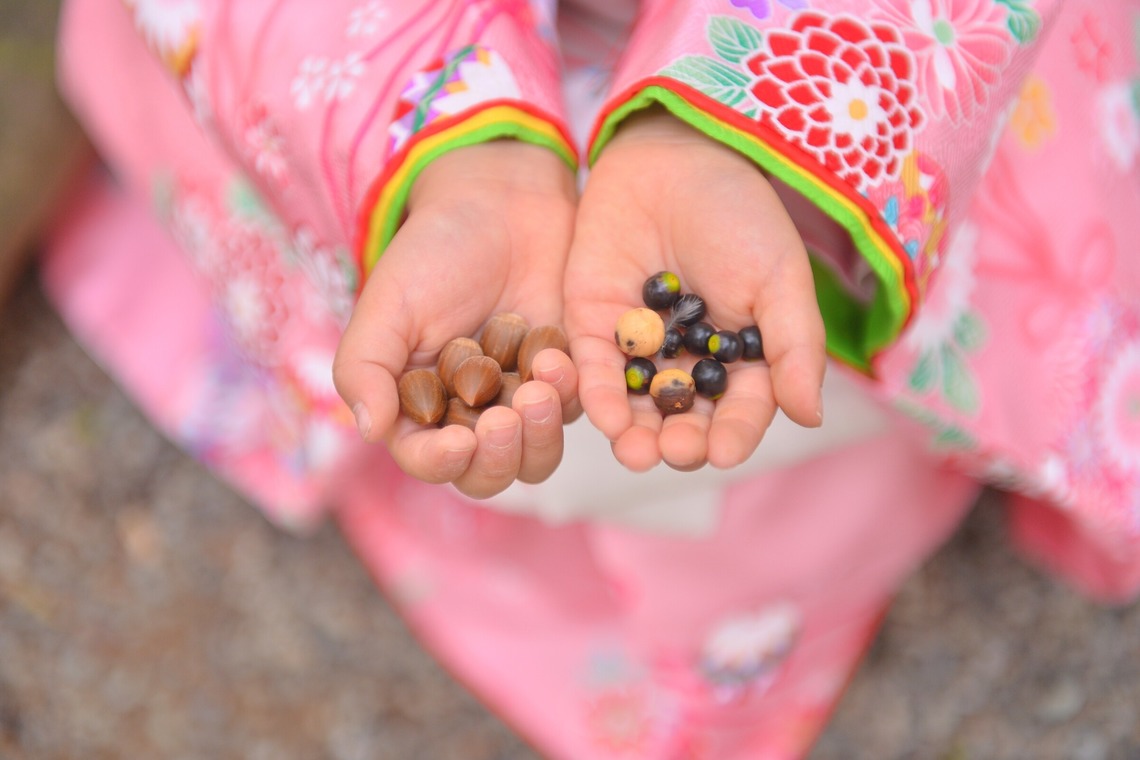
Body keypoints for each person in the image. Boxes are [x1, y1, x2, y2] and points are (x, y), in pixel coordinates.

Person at [45, 0, 1140, 756]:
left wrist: (744, 113)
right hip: (356, 67)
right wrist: (446, 137)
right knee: (476, 330)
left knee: (775, 337)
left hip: (831, 83)